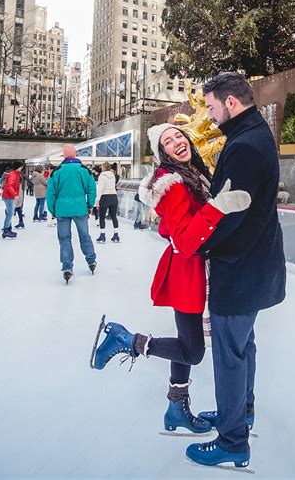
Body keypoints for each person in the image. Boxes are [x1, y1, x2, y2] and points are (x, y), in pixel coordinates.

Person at [90, 123, 250, 436]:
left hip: (197, 271)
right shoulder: (171, 182)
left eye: (179, 135)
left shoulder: (192, 172)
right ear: (162, 153)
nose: (177, 141)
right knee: (192, 351)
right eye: (168, 140)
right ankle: (127, 340)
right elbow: (187, 240)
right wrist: (218, 208)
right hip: (187, 273)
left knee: (186, 344)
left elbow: (178, 226)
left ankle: (176, 407)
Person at [184, 72, 286, 470]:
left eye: (210, 106)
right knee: (243, 346)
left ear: (230, 102)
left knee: (228, 351)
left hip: (240, 268)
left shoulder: (245, 145)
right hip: (253, 265)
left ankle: (231, 441)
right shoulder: (254, 134)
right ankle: (240, 415)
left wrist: (197, 245)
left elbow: (228, 212)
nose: (208, 116)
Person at [46, 144, 97, 283]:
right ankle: (91, 260)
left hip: (62, 210)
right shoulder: (84, 170)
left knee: (64, 239)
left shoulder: (57, 172)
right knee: (84, 235)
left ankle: (67, 266)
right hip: (80, 208)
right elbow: (92, 189)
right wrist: (90, 205)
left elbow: (50, 193)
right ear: (75, 155)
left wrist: (53, 210)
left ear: (64, 155)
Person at [95, 161, 120, 243]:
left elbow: (100, 188)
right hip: (114, 196)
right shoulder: (112, 175)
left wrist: (97, 199)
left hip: (105, 197)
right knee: (114, 217)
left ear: (103, 168)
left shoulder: (101, 176)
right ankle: (116, 235)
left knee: (102, 217)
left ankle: (102, 236)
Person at [1, 162, 24, 239]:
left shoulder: (15, 174)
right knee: (10, 213)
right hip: (9, 196)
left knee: (9, 213)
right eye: (21, 167)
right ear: (18, 167)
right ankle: (6, 230)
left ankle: (7, 229)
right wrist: (15, 194)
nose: (22, 168)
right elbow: (9, 185)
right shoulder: (13, 175)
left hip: (9, 196)